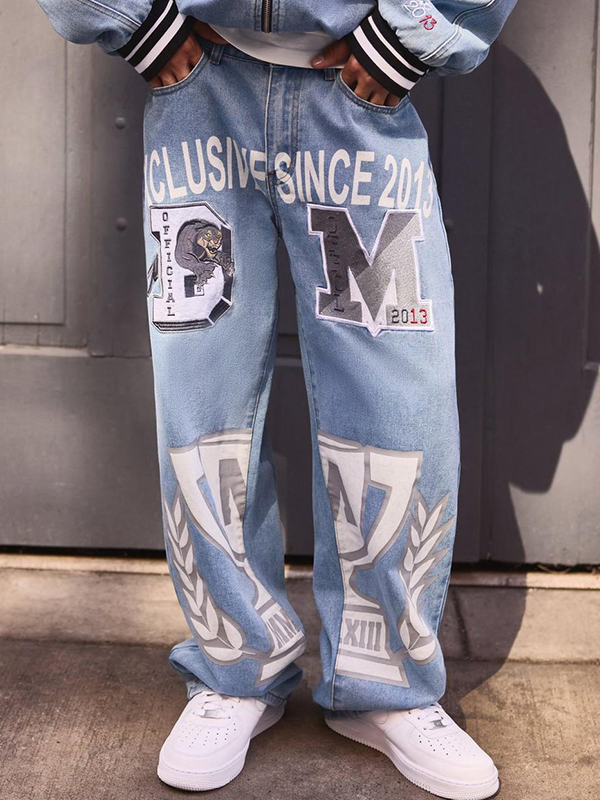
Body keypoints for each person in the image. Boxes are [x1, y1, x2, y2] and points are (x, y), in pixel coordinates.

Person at [36, 1, 518, 797]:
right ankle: (234, 669)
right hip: (203, 91)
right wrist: (133, 21)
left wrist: (410, 37)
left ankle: (387, 684)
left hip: (357, 101)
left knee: (397, 403)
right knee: (205, 398)